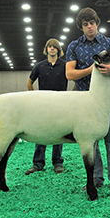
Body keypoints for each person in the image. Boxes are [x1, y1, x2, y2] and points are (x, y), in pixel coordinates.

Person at [66, 7, 110, 192]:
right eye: (85, 24)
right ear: (81, 27)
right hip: (84, 102)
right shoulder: (74, 46)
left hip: (107, 100)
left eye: (92, 23)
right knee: (91, 142)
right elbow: (69, 74)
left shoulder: (108, 42)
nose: (90, 27)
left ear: (97, 23)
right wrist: (92, 69)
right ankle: (96, 179)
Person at [25, 38, 68, 175]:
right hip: (42, 105)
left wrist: (70, 97)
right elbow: (29, 83)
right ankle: (38, 163)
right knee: (41, 133)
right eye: (49, 46)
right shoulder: (39, 66)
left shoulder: (66, 65)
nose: (52, 48)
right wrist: (35, 98)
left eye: (54, 46)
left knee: (59, 133)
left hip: (61, 104)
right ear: (46, 49)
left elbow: (75, 80)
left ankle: (57, 162)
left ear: (58, 49)